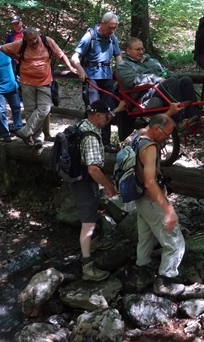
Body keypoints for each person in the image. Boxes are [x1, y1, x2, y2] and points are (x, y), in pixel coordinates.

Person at [133, 113, 186, 295]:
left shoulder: (137, 135)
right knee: (175, 242)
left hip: (138, 198)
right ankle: (165, 281)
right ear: (156, 129)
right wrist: (168, 210)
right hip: (151, 200)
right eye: (166, 134)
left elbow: (159, 120)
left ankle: (143, 272)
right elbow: (149, 182)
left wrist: (170, 112)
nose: (167, 138)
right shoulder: (150, 148)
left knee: (146, 237)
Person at [1, 27, 75, 149]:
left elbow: (61, 55)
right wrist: (16, 57)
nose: (34, 41)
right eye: (30, 40)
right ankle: (37, 139)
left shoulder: (47, 41)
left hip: (44, 82)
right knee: (30, 111)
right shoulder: (22, 44)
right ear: (25, 39)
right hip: (27, 82)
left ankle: (24, 133)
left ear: (38, 35)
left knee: (44, 109)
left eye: (35, 38)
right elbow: (3, 48)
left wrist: (71, 68)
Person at [70, 100, 119, 282]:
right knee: (88, 223)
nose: (108, 121)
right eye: (106, 117)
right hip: (84, 181)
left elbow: (110, 114)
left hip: (79, 178)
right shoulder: (90, 137)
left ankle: (94, 242)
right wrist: (108, 186)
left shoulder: (83, 124)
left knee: (91, 214)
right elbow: (93, 169)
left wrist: (118, 109)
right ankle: (87, 266)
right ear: (97, 116)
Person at [117, 37, 204, 132]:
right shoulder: (123, 66)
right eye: (137, 49)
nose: (141, 52)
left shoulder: (150, 60)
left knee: (185, 80)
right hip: (144, 96)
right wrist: (157, 79)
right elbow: (133, 80)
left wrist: (172, 76)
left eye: (142, 49)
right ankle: (180, 120)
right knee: (170, 83)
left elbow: (165, 72)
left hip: (160, 88)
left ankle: (195, 117)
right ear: (128, 50)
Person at [71, 12, 123, 151]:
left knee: (107, 110)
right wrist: (81, 71)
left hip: (107, 77)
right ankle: (89, 141)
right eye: (110, 27)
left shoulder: (112, 38)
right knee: (94, 110)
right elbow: (75, 58)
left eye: (115, 28)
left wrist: (122, 73)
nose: (112, 31)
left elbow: (119, 59)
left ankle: (104, 143)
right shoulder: (90, 36)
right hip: (91, 78)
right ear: (103, 23)